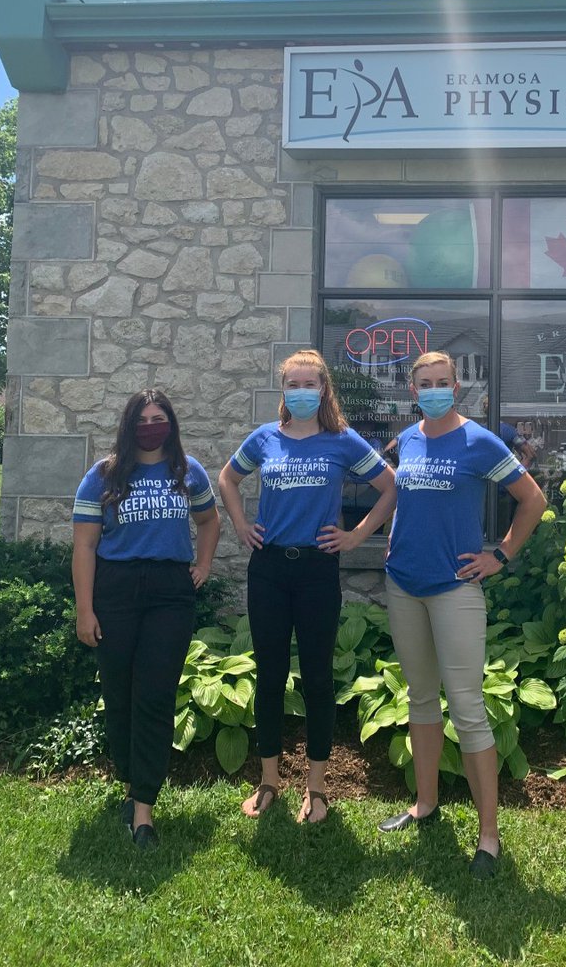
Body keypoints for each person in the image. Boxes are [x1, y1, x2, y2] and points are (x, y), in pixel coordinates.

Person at [378, 351, 546, 878]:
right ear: (412, 390)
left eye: (442, 382)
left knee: (468, 708)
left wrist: (500, 555)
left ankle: (488, 836)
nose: (433, 390)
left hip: (455, 589)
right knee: (421, 699)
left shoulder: (479, 441)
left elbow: (532, 500)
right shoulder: (407, 439)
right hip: (403, 584)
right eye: (424, 383)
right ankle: (424, 805)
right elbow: (399, 496)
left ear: (457, 386)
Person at [219, 349, 396, 824]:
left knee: (318, 679)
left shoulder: (342, 440)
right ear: (283, 391)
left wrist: (356, 536)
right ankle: (269, 781)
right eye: (292, 385)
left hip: (318, 571)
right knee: (270, 676)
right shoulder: (264, 439)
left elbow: (390, 487)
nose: (300, 392)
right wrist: (240, 526)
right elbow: (227, 479)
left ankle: (316, 789)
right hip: (270, 570)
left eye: (308, 384)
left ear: (323, 390)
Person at [72, 389, 220, 850]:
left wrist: (204, 564)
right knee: (119, 697)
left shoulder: (186, 471)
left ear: (171, 425)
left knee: (154, 696)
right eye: (143, 418)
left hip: (169, 595)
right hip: (115, 591)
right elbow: (84, 547)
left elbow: (210, 522)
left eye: (160, 418)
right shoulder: (102, 477)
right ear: (129, 424)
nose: (152, 426)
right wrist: (85, 609)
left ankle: (143, 811)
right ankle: (131, 780)